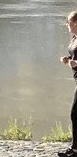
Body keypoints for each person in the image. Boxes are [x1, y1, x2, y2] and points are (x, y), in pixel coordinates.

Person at [59, 11, 77, 157]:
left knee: (75, 113)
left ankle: (75, 149)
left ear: (76, 23)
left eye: (69, 22)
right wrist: (68, 58)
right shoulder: (74, 37)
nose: (67, 25)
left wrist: (75, 63)